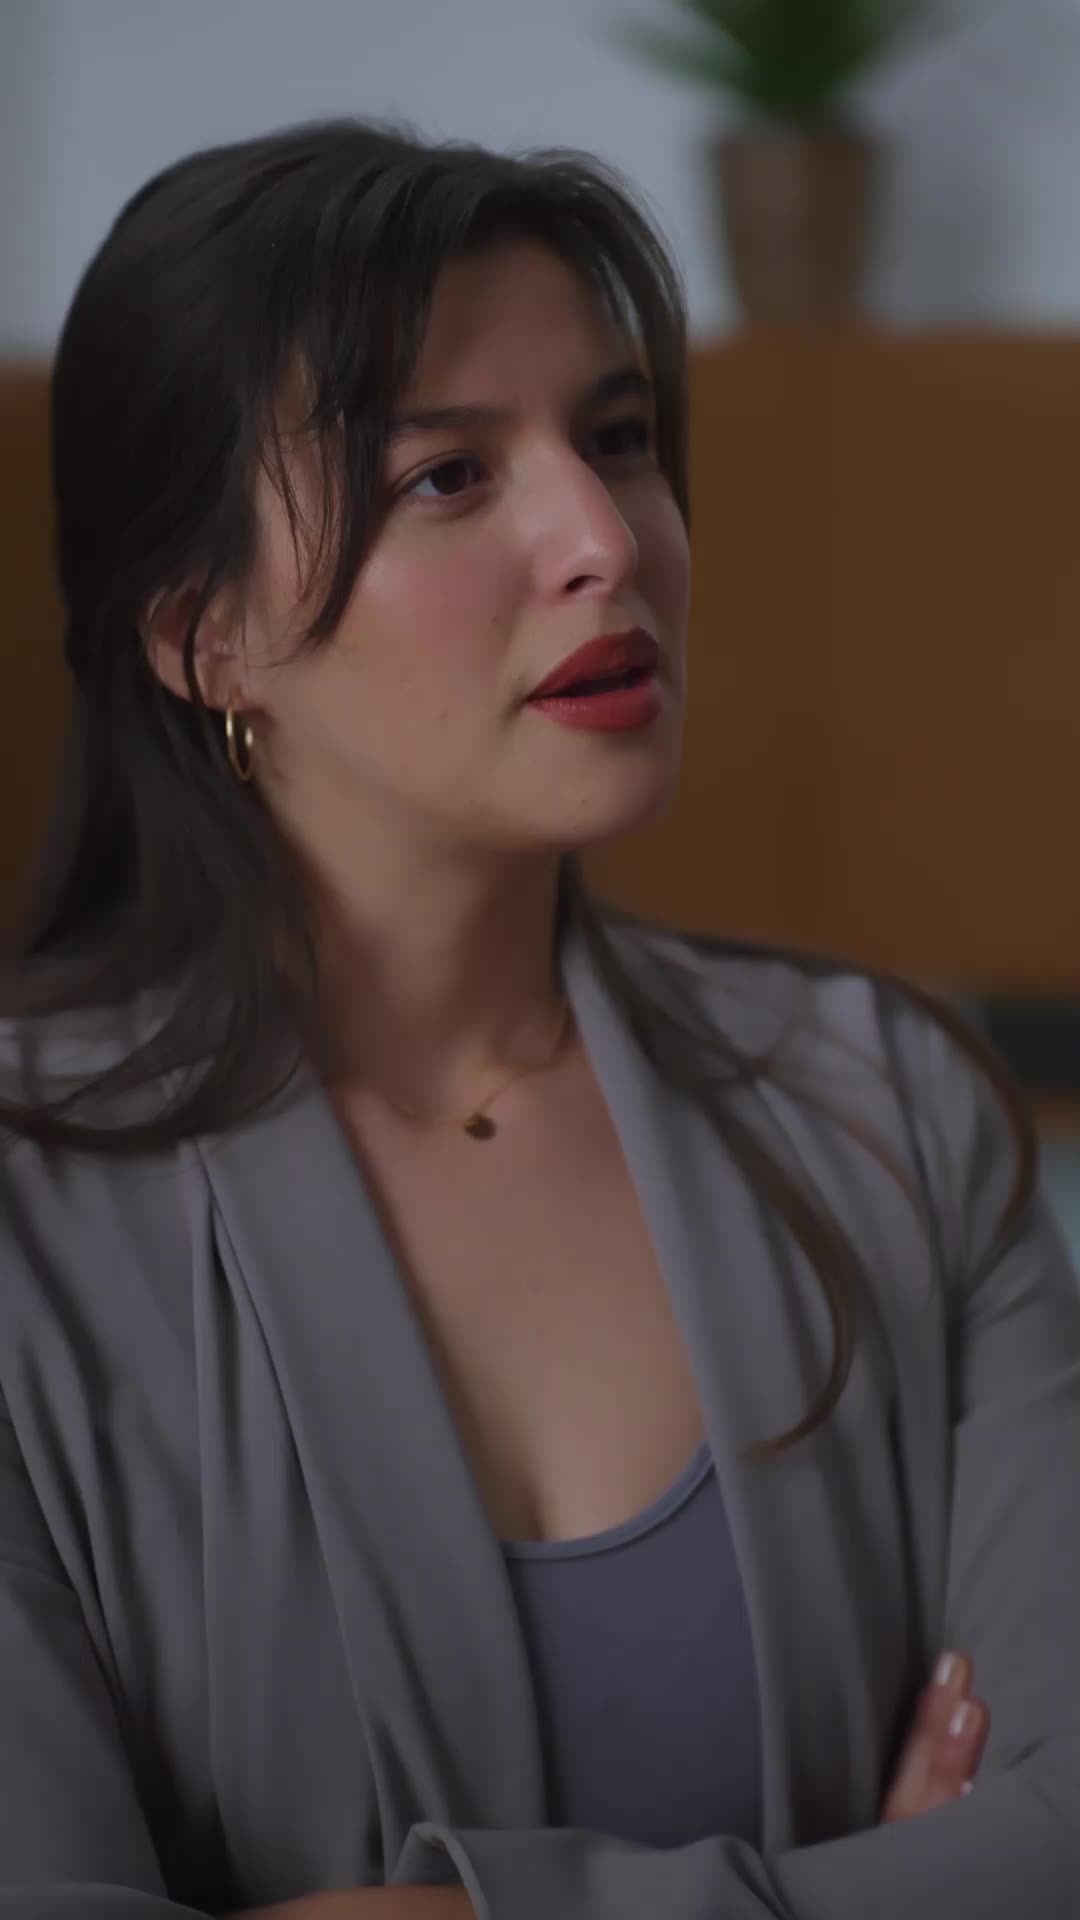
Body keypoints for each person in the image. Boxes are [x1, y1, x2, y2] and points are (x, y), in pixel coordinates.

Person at [0, 117, 1076, 1920]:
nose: (605, 538)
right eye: (446, 475)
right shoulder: (29, 1223)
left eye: (620, 437)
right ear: (203, 635)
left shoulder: (895, 1109)